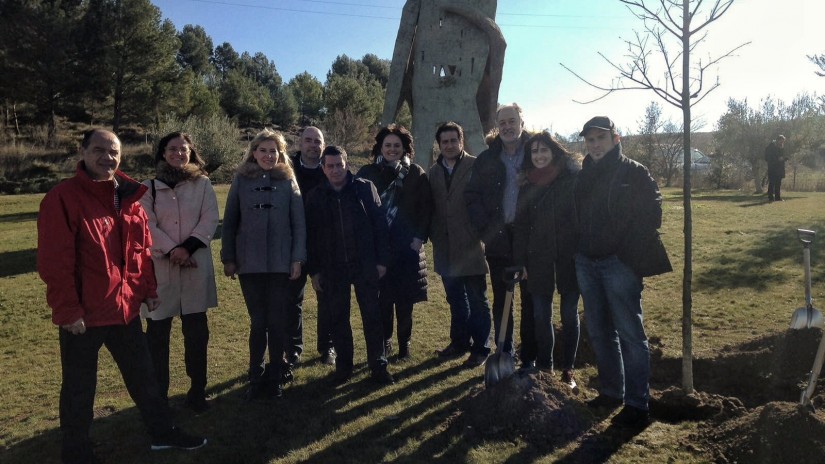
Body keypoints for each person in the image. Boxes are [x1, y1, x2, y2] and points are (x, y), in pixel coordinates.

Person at [37, 129, 206, 464]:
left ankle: (162, 434)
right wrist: (68, 310)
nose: (107, 157)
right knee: (78, 388)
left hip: (125, 308)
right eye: (98, 150)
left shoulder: (128, 198)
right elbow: (55, 262)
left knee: (145, 377)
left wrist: (148, 291)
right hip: (84, 315)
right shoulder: (63, 198)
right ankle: (77, 452)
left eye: (113, 152)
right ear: (82, 152)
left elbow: (140, 251)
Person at [574, 116, 672, 427]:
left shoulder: (634, 171)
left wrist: (624, 249)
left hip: (619, 264)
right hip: (587, 263)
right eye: (590, 139)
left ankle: (637, 404)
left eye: (600, 138)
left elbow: (652, 213)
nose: (595, 144)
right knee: (601, 332)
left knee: (631, 334)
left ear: (616, 139)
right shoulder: (583, 174)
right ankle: (611, 392)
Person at [221, 129, 306, 400]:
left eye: (274, 151)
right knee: (258, 323)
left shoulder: (289, 181)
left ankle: (276, 377)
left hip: (281, 263)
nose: (269, 156)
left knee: (278, 322)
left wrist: (297, 258)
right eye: (263, 150)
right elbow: (230, 220)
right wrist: (229, 258)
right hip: (250, 263)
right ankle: (255, 377)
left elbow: (299, 224)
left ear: (280, 154)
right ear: (253, 152)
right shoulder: (241, 180)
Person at [140, 132, 219, 413]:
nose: (178, 154)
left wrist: (186, 248)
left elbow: (209, 219)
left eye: (184, 149)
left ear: (190, 152)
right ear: (163, 153)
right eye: (172, 149)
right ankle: (158, 396)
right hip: (161, 270)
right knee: (157, 337)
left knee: (197, 336)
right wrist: (173, 250)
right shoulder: (147, 188)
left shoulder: (203, 184)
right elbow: (146, 225)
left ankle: (197, 392)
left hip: (195, 267)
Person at [305, 145, 395, 385]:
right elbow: (310, 238)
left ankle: (379, 366)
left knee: (372, 317)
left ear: (347, 165)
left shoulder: (365, 189)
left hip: (365, 264)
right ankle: (344, 368)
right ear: (323, 169)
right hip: (333, 268)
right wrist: (314, 270)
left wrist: (382, 261)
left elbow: (380, 227)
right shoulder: (315, 197)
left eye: (339, 165)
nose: (336, 170)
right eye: (330, 166)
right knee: (338, 318)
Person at [465, 103, 533, 366]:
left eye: (512, 121)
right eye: (502, 122)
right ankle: (505, 351)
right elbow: (472, 196)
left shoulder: (537, 152)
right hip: (499, 240)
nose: (507, 126)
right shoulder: (487, 158)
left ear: (521, 123)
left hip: (530, 240)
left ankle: (530, 356)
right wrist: (487, 230)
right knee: (502, 300)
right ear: (497, 126)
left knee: (530, 300)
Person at [512, 131, 581, 388]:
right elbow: (520, 227)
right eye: (534, 152)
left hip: (569, 258)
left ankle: (568, 369)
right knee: (541, 315)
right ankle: (546, 366)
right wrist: (521, 262)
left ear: (554, 151)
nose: (539, 156)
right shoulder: (527, 185)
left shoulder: (571, 180)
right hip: (537, 260)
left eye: (543, 150)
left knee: (569, 314)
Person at [356, 124, 430, 360]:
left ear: (405, 148)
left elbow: (426, 209)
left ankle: (404, 345)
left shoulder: (416, 173)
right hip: (379, 247)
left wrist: (419, 238)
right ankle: (385, 341)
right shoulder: (367, 172)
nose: (392, 149)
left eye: (397, 145)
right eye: (387, 145)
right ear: (380, 147)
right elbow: (356, 208)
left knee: (405, 301)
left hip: (407, 248)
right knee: (383, 300)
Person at [428, 122, 492, 368]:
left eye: (454, 140)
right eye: (444, 141)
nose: (449, 145)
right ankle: (459, 342)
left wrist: (480, 231)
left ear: (461, 141)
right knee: (455, 300)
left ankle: (481, 347)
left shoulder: (476, 166)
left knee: (477, 300)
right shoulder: (433, 172)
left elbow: (486, 202)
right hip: (444, 247)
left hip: (471, 245)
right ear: (439, 144)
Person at [287, 126, 336, 367]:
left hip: (323, 244)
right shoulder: (285, 169)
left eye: (317, 141)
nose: (313, 145)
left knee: (326, 297)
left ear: (323, 145)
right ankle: (293, 349)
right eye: (308, 140)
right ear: (299, 143)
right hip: (292, 244)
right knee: (291, 299)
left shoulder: (331, 170)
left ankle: (327, 347)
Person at [765, 134, 787, 202]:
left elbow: (781, 156)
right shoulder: (771, 147)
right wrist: (777, 159)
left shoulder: (780, 147)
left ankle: (777, 197)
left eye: (783, 141)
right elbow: (769, 157)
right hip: (773, 168)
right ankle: (770, 197)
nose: (782, 143)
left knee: (778, 183)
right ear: (778, 140)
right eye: (781, 141)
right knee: (772, 183)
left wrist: (784, 158)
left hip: (779, 168)